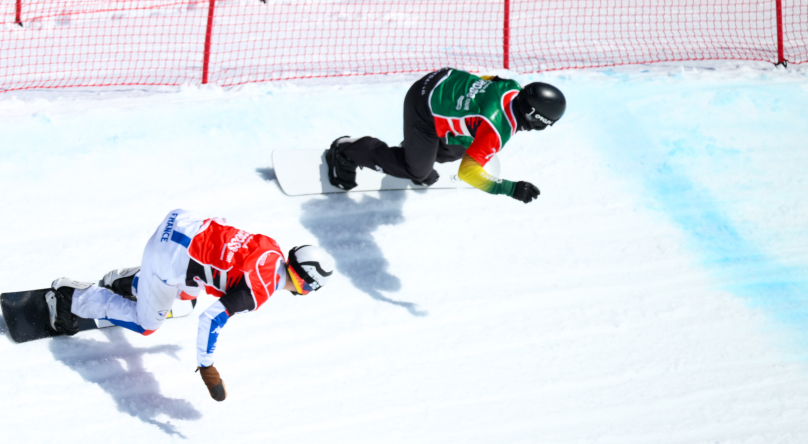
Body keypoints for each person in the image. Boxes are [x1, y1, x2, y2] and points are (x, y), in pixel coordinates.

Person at [47, 208, 332, 402]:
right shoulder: (259, 290)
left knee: (188, 291)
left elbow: (222, 239)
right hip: (164, 256)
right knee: (146, 325)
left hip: (179, 223)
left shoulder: (271, 247)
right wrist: (207, 367)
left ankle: (132, 282)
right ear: (305, 286)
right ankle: (69, 297)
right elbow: (210, 319)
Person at [324, 68, 565, 202]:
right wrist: (510, 189)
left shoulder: (512, 87)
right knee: (416, 171)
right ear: (536, 119)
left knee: (461, 146)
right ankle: (347, 151)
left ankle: (417, 150)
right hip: (423, 105)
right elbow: (468, 172)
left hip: (442, 79)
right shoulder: (496, 131)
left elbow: (486, 80)